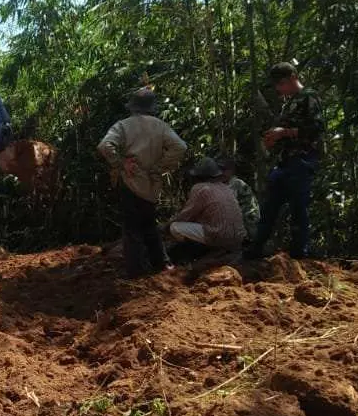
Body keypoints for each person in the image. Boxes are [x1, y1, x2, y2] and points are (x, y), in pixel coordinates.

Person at [96, 87, 188, 277]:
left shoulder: (123, 126)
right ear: (152, 108)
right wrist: (159, 167)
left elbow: (105, 146)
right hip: (151, 184)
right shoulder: (160, 126)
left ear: (133, 107)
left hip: (130, 181)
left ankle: (136, 270)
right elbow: (180, 147)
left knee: (131, 228)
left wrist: (121, 163)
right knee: (149, 223)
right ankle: (161, 264)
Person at [246, 63, 326, 259]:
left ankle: (299, 253)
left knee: (298, 208)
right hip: (285, 161)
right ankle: (255, 249)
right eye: (276, 85)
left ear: (292, 77)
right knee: (270, 207)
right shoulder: (289, 103)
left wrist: (285, 132)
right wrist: (274, 138)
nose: (278, 89)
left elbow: (317, 129)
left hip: (301, 160)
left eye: (281, 84)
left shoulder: (309, 97)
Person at [167, 157, 246, 267]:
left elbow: (185, 215)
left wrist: (166, 225)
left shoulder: (200, 188)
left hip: (220, 236)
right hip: (238, 238)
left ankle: (201, 252)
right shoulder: (226, 187)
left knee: (175, 227)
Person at [217, 156, 260, 244]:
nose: (221, 173)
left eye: (224, 170)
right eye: (219, 170)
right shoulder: (224, 183)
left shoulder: (236, 183)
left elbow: (227, 207)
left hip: (248, 223)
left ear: (231, 171)